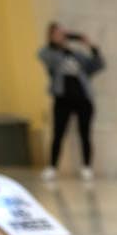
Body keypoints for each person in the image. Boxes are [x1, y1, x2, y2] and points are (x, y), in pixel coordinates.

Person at [38, 22, 104, 181]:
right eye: (58, 33)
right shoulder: (50, 53)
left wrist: (90, 45)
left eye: (63, 33)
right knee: (58, 133)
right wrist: (59, 41)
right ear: (51, 36)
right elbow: (44, 55)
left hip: (82, 99)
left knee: (85, 133)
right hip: (62, 99)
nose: (62, 36)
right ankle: (52, 167)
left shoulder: (76, 55)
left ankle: (86, 167)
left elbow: (97, 65)